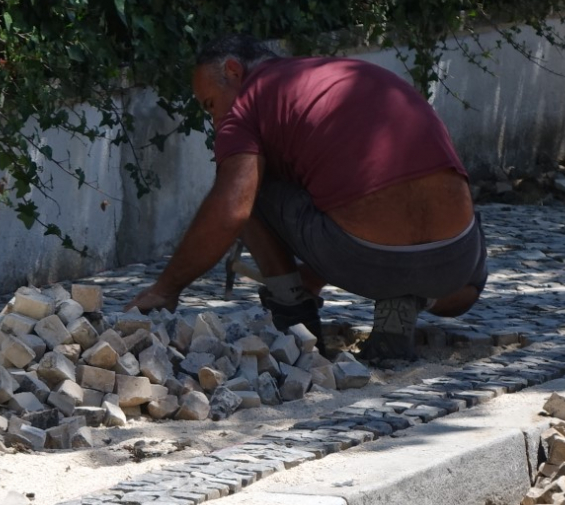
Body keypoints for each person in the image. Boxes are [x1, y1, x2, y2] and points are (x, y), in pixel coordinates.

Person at [127, 34, 488, 364]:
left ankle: (294, 314)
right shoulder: (336, 74)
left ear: (235, 72)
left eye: (210, 105)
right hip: (454, 262)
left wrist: (166, 288)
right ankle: (409, 300)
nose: (216, 122)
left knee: (245, 184)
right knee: (458, 236)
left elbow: (233, 209)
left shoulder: (246, 106)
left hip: (367, 261)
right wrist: (315, 273)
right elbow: (359, 189)